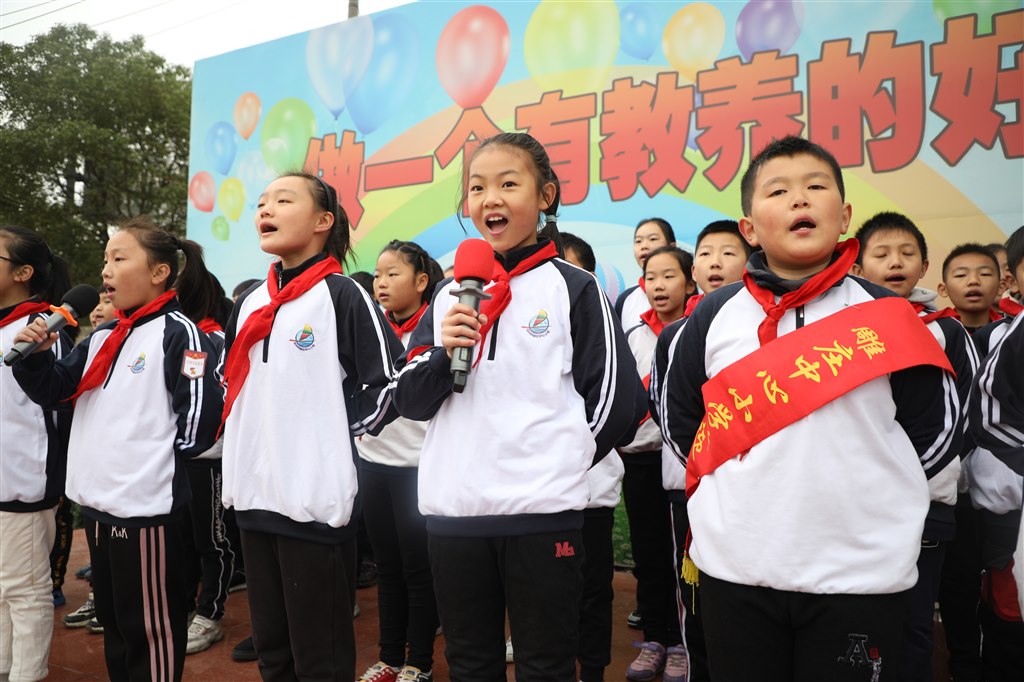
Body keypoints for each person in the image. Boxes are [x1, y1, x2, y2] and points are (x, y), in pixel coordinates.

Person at [661, 136, 961, 681]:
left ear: (844, 216)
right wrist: (738, 493)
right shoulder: (710, 318)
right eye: (778, 191)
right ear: (749, 228)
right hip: (737, 568)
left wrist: (868, 494)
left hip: (859, 574)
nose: (800, 199)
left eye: (816, 187)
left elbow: (935, 431)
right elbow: (683, 422)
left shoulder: (889, 315)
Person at [392, 132, 644, 681]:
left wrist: (558, 466)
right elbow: (409, 399)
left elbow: (619, 401)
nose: (491, 199)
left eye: (509, 184)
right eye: (477, 187)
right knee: (469, 664)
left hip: (541, 515)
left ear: (545, 195)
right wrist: (445, 354)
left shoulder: (574, 287)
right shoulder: (450, 294)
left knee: (545, 666)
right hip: (455, 514)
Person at [11, 218, 223, 682]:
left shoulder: (178, 332)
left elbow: (199, 416)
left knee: (149, 631)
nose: (106, 269)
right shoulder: (106, 336)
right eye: (106, 259)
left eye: (120, 258)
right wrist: (36, 359)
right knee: (117, 628)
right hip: (99, 506)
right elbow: (57, 391)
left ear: (160, 273)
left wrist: (154, 466)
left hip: (143, 511)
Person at [219, 171, 402, 682]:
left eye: (283, 200)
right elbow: (227, 382)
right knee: (273, 653)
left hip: (313, 504)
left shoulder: (342, 295)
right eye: (262, 202)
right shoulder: (250, 302)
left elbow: (388, 382)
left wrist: (334, 433)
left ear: (324, 221)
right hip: (254, 498)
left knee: (320, 659)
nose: (265, 210)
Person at [852, 211, 979, 682]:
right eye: (882, 254)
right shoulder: (839, 334)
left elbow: (964, 416)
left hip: (925, 505)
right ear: (857, 268)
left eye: (907, 253)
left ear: (924, 266)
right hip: (855, 508)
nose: (896, 262)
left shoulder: (945, 330)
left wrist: (903, 481)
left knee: (912, 623)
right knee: (857, 627)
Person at [356, 240, 443, 682]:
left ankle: (419, 662)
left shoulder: (437, 329)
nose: (382, 283)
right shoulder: (371, 328)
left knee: (418, 570)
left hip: (417, 468)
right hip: (372, 462)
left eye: (393, 274)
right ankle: (389, 657)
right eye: (377, 275)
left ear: (422, 281)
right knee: (387, 567)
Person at [619, 245, 695, 682]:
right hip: (641, 460)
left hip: (685, 465)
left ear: (689, 281)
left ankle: (683, 644)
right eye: (651, 278)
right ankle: (654, 639)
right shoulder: (632, 334)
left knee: (684, 557)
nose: (659, 286)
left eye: (669, 276)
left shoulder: (699, 328)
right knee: (648, 554)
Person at [0, 226, 72, 682]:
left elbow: (56, 400)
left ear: (23, 273)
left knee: (25, 591)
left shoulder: (43, 328)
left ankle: (26, 674)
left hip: (23, 478)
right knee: (3, 588)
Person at [966, 226, 1024, 681]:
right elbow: (990, 423)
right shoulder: (1010, 336)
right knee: (1010, 628)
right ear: (1015, 277)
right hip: (1015, 519)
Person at [180, 276, 237, 656]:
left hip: (208, 460)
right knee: (182, 540)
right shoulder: (174, 335)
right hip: (174, 460)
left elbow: (223, 397)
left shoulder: (215, 340)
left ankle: (209, 614)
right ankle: (184, 607)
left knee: (212, 540)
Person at [615, 218, 676, 331]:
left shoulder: (685, 291)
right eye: (638, 241)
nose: (644, 246)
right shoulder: (626, 299)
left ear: (672, 247)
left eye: (653, 239)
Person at [937, 244, 1004, 333]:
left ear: (1000, 287)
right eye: (961, 275)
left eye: (985, 274)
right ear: (944, 289)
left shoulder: (1012, 331)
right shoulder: (935, 332)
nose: (974, 281)